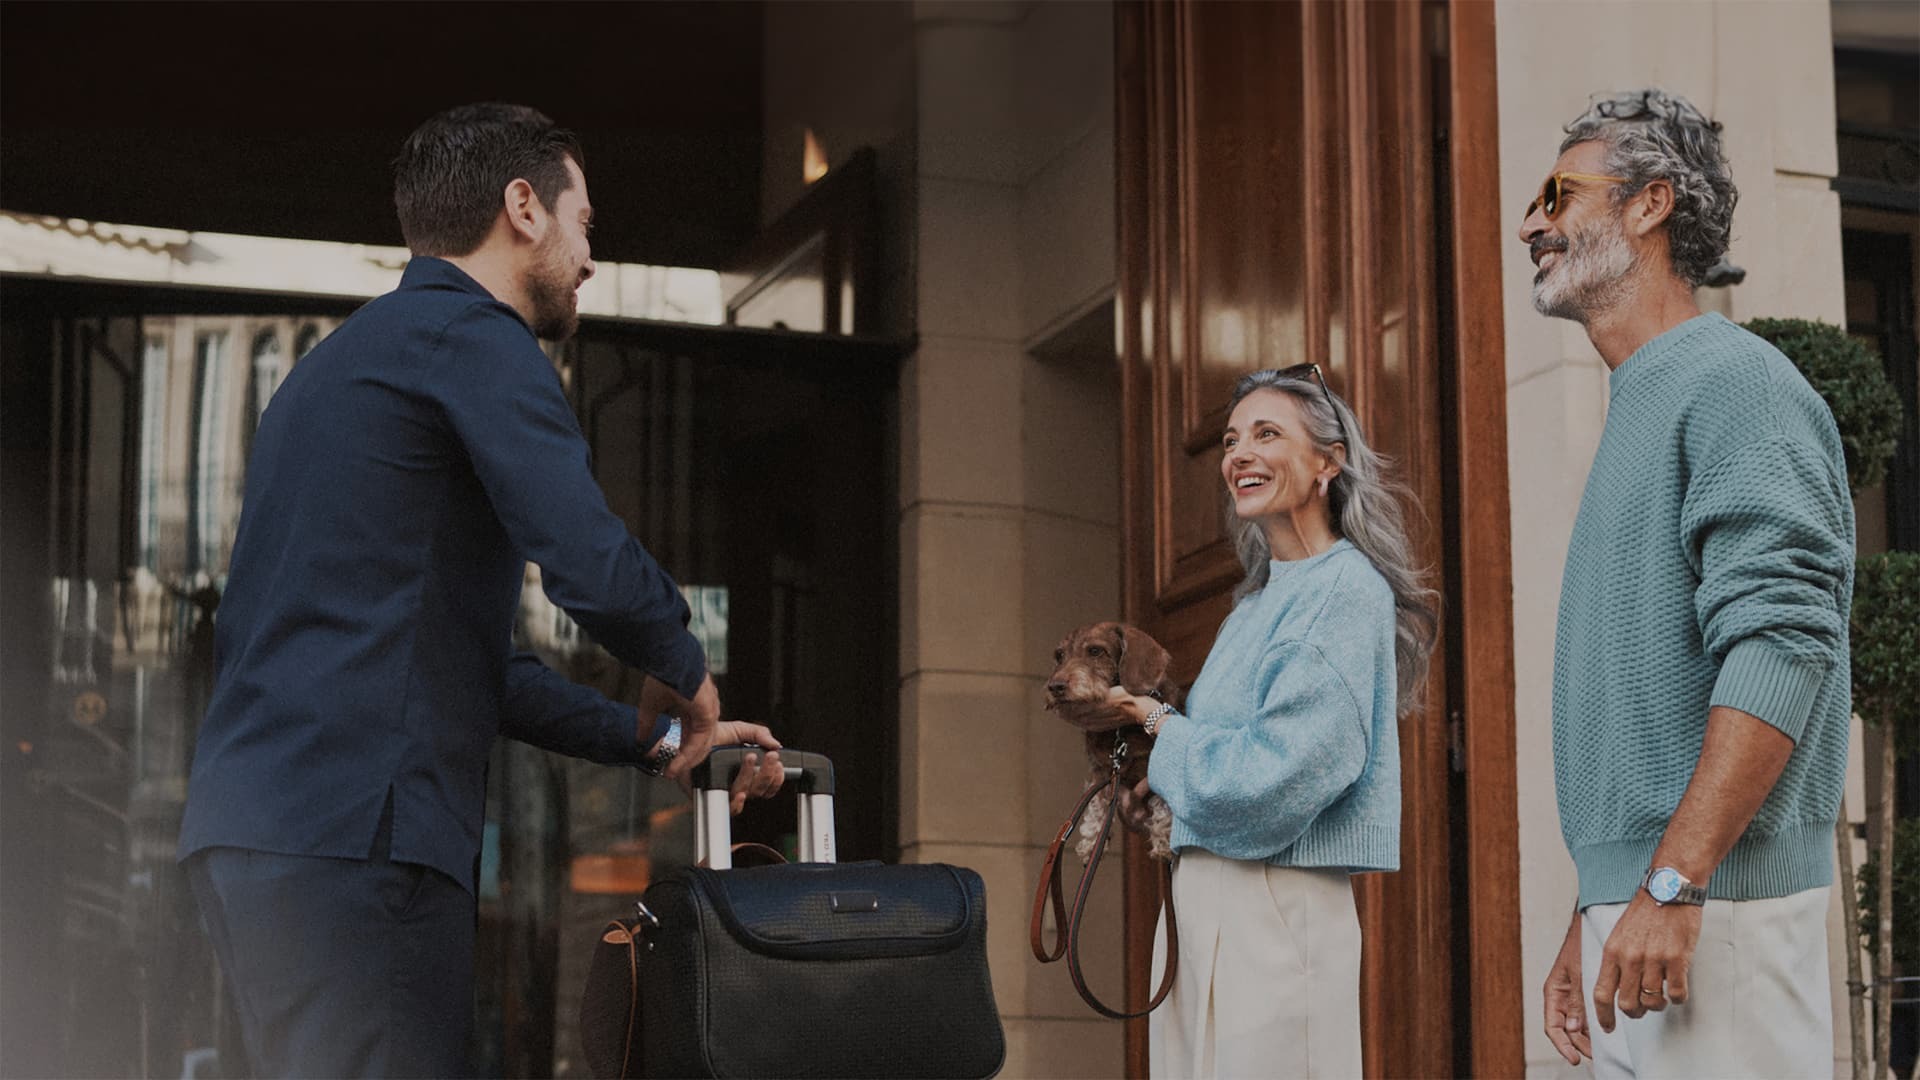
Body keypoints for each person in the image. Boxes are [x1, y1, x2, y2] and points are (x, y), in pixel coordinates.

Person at [175, 103, 786, 1078]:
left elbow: (467, 664)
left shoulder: (333, 372)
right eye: (586, 223)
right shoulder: (474, 340)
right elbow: (579, 547)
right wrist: (685, 663)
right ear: (523, 208)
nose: (591, 258)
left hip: (258, 837)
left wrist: (659, 738)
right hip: (362, 835)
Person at [1522, 89, 1854, 1078]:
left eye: (1557, 193)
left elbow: (1784, 644)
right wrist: (1601, 905)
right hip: (1660, 910)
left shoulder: (1735, 384)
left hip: (1720, 914)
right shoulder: (1642, 405)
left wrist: (1670, 883)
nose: (1531, 222)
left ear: (1648, 204)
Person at [1085, 365, 1438, 1079]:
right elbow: (1222, 762)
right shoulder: (1256, 602)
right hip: (1205, 898)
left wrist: (1154, 721)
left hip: (1275, 905)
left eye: (1267, 434)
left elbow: (1278, 775)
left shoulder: (1345, 591)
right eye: (1231, 439)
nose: (1239, 453)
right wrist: (1160, 788)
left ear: (1326, 465)